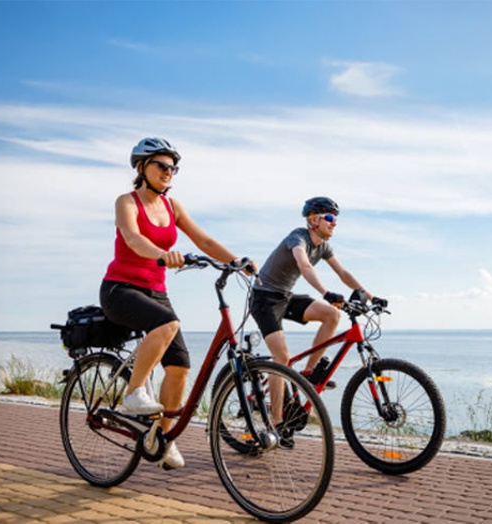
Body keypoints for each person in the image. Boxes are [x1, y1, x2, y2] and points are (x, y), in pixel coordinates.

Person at [100, 137, 254, 469]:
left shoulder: (173, 207)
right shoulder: (126, 202)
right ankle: (134, 392)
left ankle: (162, 438)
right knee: (167, 323)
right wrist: (163, 254)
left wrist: (239, 260)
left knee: (181, 367)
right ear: (142, 168)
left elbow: (204, 239)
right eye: (162, 165)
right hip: (120, 289)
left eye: (173, 168)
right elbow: (132, 238)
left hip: (155, 291)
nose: (169, 172)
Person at [250, 196, 386, 436]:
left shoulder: (323, 246)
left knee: (332, 315)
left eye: (336, 220)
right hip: (264, 299)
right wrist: (325, 292)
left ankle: (308, 374)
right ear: (313, 220)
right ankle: (276, 422)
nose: (334, 224)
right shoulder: (299, 236)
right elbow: (304, 265)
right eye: (330, 218)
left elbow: (343, 272)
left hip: (286, 296)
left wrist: (371, 297)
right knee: (281, 358)